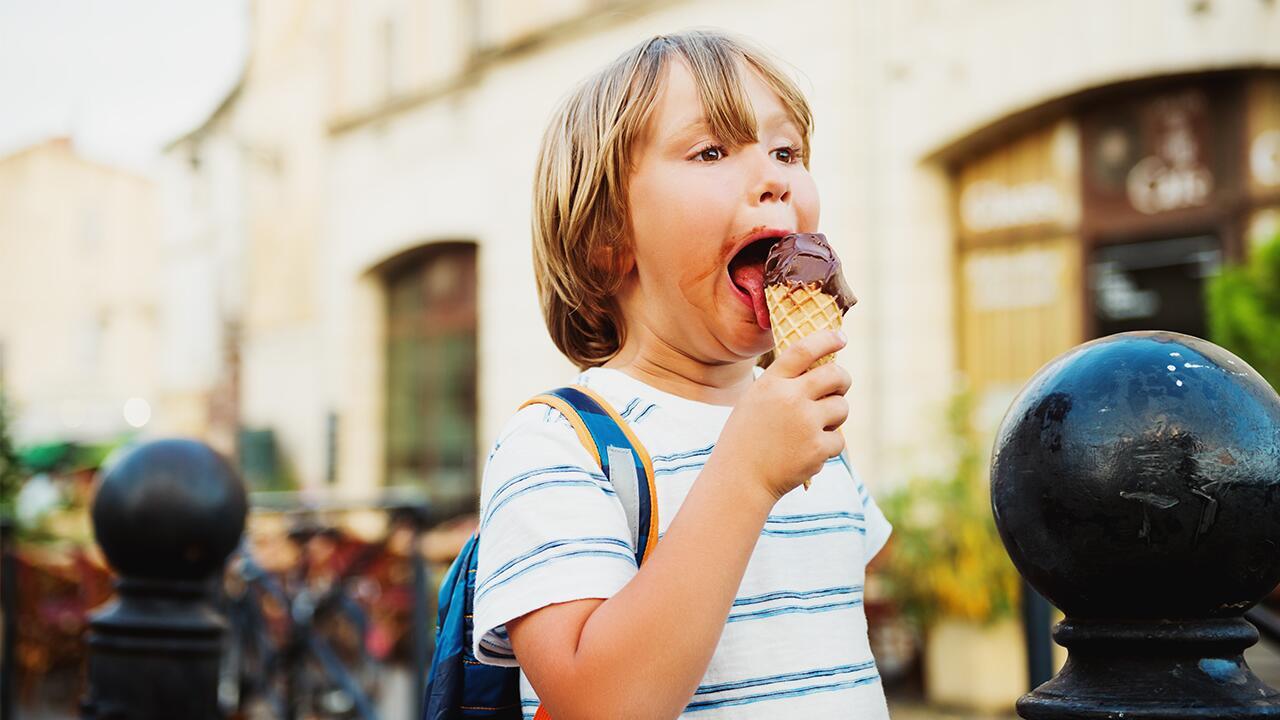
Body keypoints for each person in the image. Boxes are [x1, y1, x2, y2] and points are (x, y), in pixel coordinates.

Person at [473, 29, 892, 719]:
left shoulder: (803, 427)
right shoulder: (559, 444)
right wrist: (746, 475)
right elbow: (593, 704)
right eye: (711, 152)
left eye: (786, 151)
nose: (775, 178)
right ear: (607, 240)